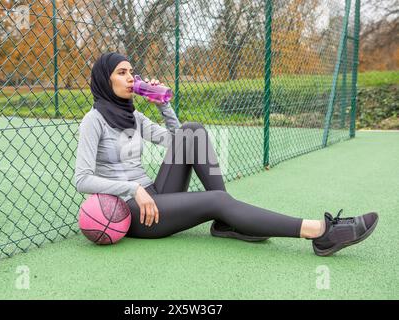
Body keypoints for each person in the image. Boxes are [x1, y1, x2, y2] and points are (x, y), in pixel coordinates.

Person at [75, 52, 379, 256]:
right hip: (135, 213)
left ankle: (226, 222)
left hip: (154, 194)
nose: (131, 78)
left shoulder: (134, 117)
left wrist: (163, 104)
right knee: (217, 200)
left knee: (192, 130)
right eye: (122, 73)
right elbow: (82, 179)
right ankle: (319, 232)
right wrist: (133, 189)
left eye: (132, 72)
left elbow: (179, 142)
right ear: (106, 80)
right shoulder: (94, 121)